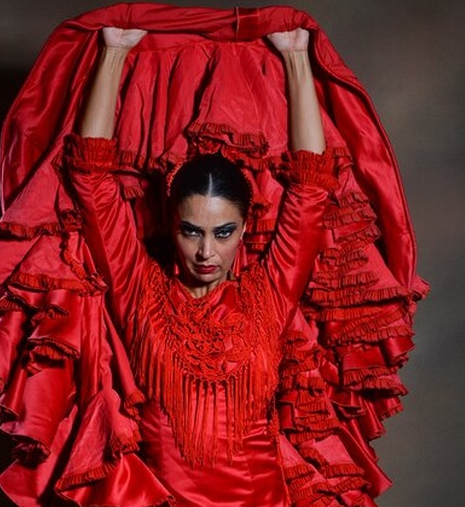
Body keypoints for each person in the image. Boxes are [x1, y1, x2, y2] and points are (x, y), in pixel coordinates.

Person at [62, 25, 336, 505]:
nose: (207, 252)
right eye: (192, 231)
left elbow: (310, 189)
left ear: (244, 230)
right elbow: (90, 178)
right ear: (173, 226)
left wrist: (296, 59)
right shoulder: (137, 288)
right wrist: (114, 51)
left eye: (222, 233)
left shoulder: (268, 295)